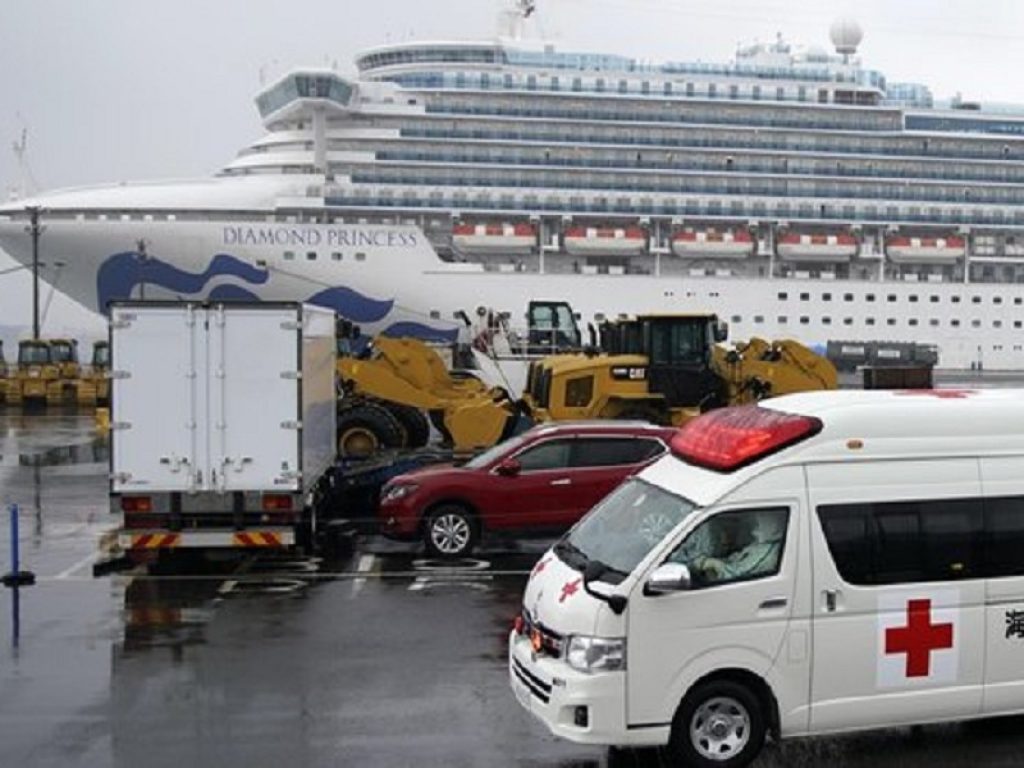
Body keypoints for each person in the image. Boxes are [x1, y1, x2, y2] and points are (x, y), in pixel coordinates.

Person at [685, 512, 786, 585]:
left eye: (758, 526)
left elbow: (736, 574)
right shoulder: (762, 544)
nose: (754, 531)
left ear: (772, 527)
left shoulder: (767, 553)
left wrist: (714, 564)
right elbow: (736, 558)